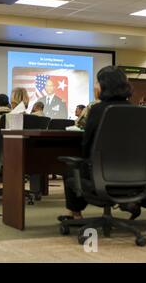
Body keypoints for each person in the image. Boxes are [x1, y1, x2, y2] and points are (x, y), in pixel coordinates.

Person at [60, 66, 133, 220]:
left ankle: (76, 214)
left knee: (71, 168)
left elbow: (86, 146)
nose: (95, 86)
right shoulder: (137, 111)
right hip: (133, 176)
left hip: (100, 175)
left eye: (97, 82)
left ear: (104, 85)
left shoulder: (98, 110)